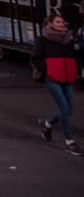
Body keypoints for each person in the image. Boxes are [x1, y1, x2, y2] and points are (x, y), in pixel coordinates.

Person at [33, 12, 84, 155]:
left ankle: (47, 126)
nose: (62, 25)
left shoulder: (68, 39)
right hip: (52, 79)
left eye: (62, 22)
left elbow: (75, 57)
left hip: (67, 78)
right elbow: (35, 59)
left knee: (68, 110)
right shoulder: (42, 40)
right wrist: (48, 69)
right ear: (50, 24)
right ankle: (69, 142)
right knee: (64, 109)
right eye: (58, 22)